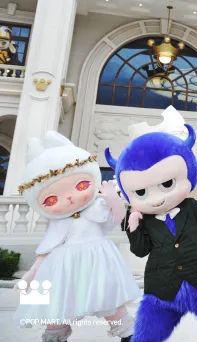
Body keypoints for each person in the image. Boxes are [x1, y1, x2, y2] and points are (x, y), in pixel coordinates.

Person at [106, 123, 197, 342]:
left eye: (167, 183)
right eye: (141, 192)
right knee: (146, 335)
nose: (157, 199)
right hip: (163, 288)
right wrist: (134, 226)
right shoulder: (144, 220)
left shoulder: (192, 207)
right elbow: (141, 250)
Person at [15, 131, 140, 342]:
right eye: (51, 200)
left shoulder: (98, 206)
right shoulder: (58, 222)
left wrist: (112, 198)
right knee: (58, 308)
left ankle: (130, 335)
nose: (70, 198)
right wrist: (32, 273)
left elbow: (117, 218)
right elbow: (47, 248)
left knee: (110, 304)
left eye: (80, 186)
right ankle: (55, 336)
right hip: (64, 270)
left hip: (98, 264)